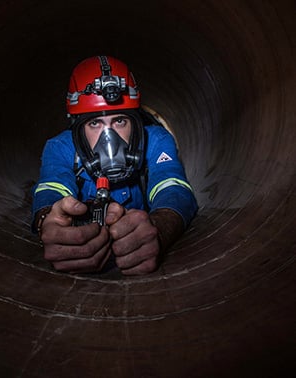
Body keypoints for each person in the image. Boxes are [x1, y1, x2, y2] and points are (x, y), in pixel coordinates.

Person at [32, 55, 198, 276]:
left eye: (120, 121)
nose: (109, 139)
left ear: (135, 121)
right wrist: (48, 221)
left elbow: (172, 185)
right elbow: (51, 188)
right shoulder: (60, 147)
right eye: (94, 123)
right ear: (77, 128)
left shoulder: (156, 140)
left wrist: (159, 230)